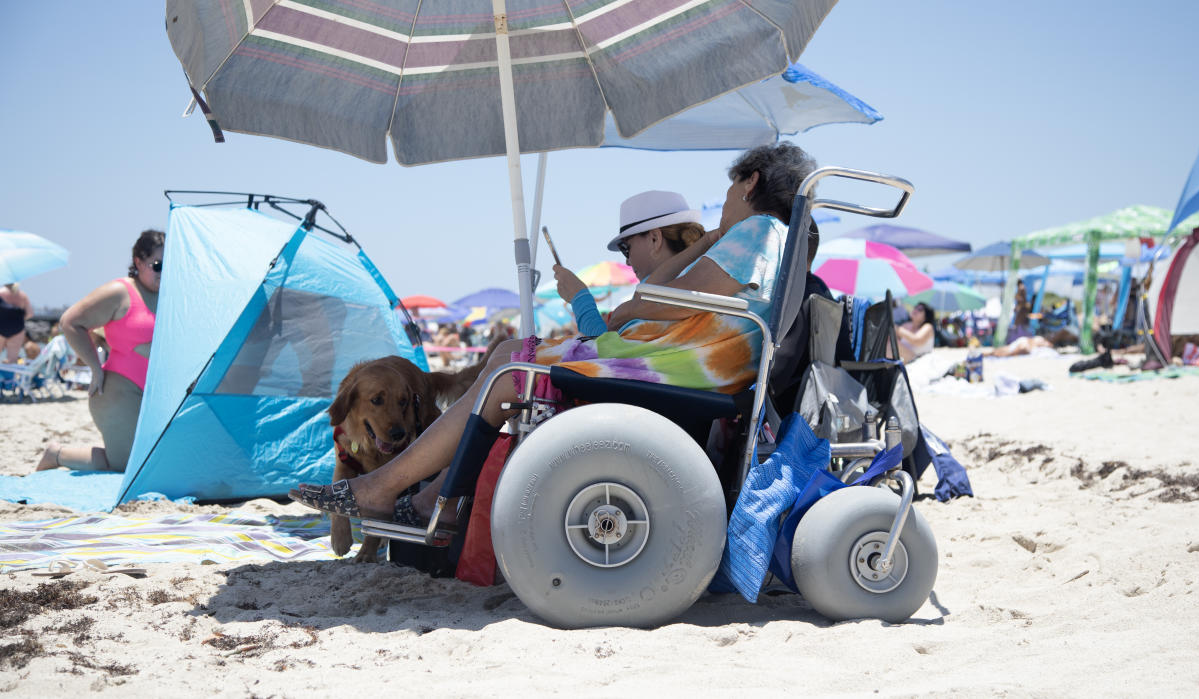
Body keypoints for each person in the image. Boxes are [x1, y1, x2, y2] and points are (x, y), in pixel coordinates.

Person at [290, 142, 817, 524]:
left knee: (508, 367)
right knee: (505, 358)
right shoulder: (768, 238)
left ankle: (402, 493)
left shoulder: (758, 230)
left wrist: (630, 299)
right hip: (687, 364)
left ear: (750, 183)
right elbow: (663, 294)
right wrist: (709, 242)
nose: (723, 203)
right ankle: (425, 499)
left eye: (730, 190)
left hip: (675, 367)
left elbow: (660, 303)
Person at [35, 230, 163, 472]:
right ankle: (57, 453)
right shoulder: (120, 292)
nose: (163, 272)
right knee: (127, 466)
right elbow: (70, 322)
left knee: (154, 462)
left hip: (153, 397)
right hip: (118, 391)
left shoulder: (170, 295)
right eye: (158, 265)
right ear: (138, 262)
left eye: (170, 266)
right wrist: (95, 367)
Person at [550, 189, 705, 337]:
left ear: (654, 239)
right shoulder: (704, 280)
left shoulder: (659, 295)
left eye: (626, 248)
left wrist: (580, 299)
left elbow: (608, 353)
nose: (627, 261)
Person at [0, 282, 34, 363]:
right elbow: (30, 314)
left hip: (1, 326)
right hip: (17, 327)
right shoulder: (22, 295)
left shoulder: (1, 293)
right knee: (12, 358)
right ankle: (9, 375)